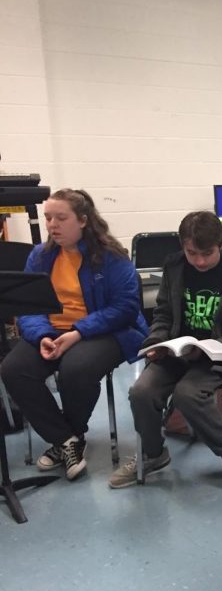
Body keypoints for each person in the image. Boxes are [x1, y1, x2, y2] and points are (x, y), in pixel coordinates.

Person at [108, 211, 222, 493]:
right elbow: (164, 313)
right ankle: (153, 454)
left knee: (187, 394)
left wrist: (204, 352)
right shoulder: (175, 267)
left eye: (207, 253)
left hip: (221, 355)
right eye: (192, 253)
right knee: (141, 392)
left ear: (221, 243)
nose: (200, 261)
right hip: (177, 352)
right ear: (182, 247)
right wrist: (156, 341)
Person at [1, 188, 148, 480]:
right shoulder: (41, 257)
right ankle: (66, 440)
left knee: (75, 368)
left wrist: (78, 332)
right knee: (13, 369)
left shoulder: (112, 258)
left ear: (82, 220)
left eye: (60, 218)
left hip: (105, 331)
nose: (52, 225)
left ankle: (72, 434)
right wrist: (42, 334)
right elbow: (28, 307)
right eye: (48, 218)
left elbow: (125, 308)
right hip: (52, 330)